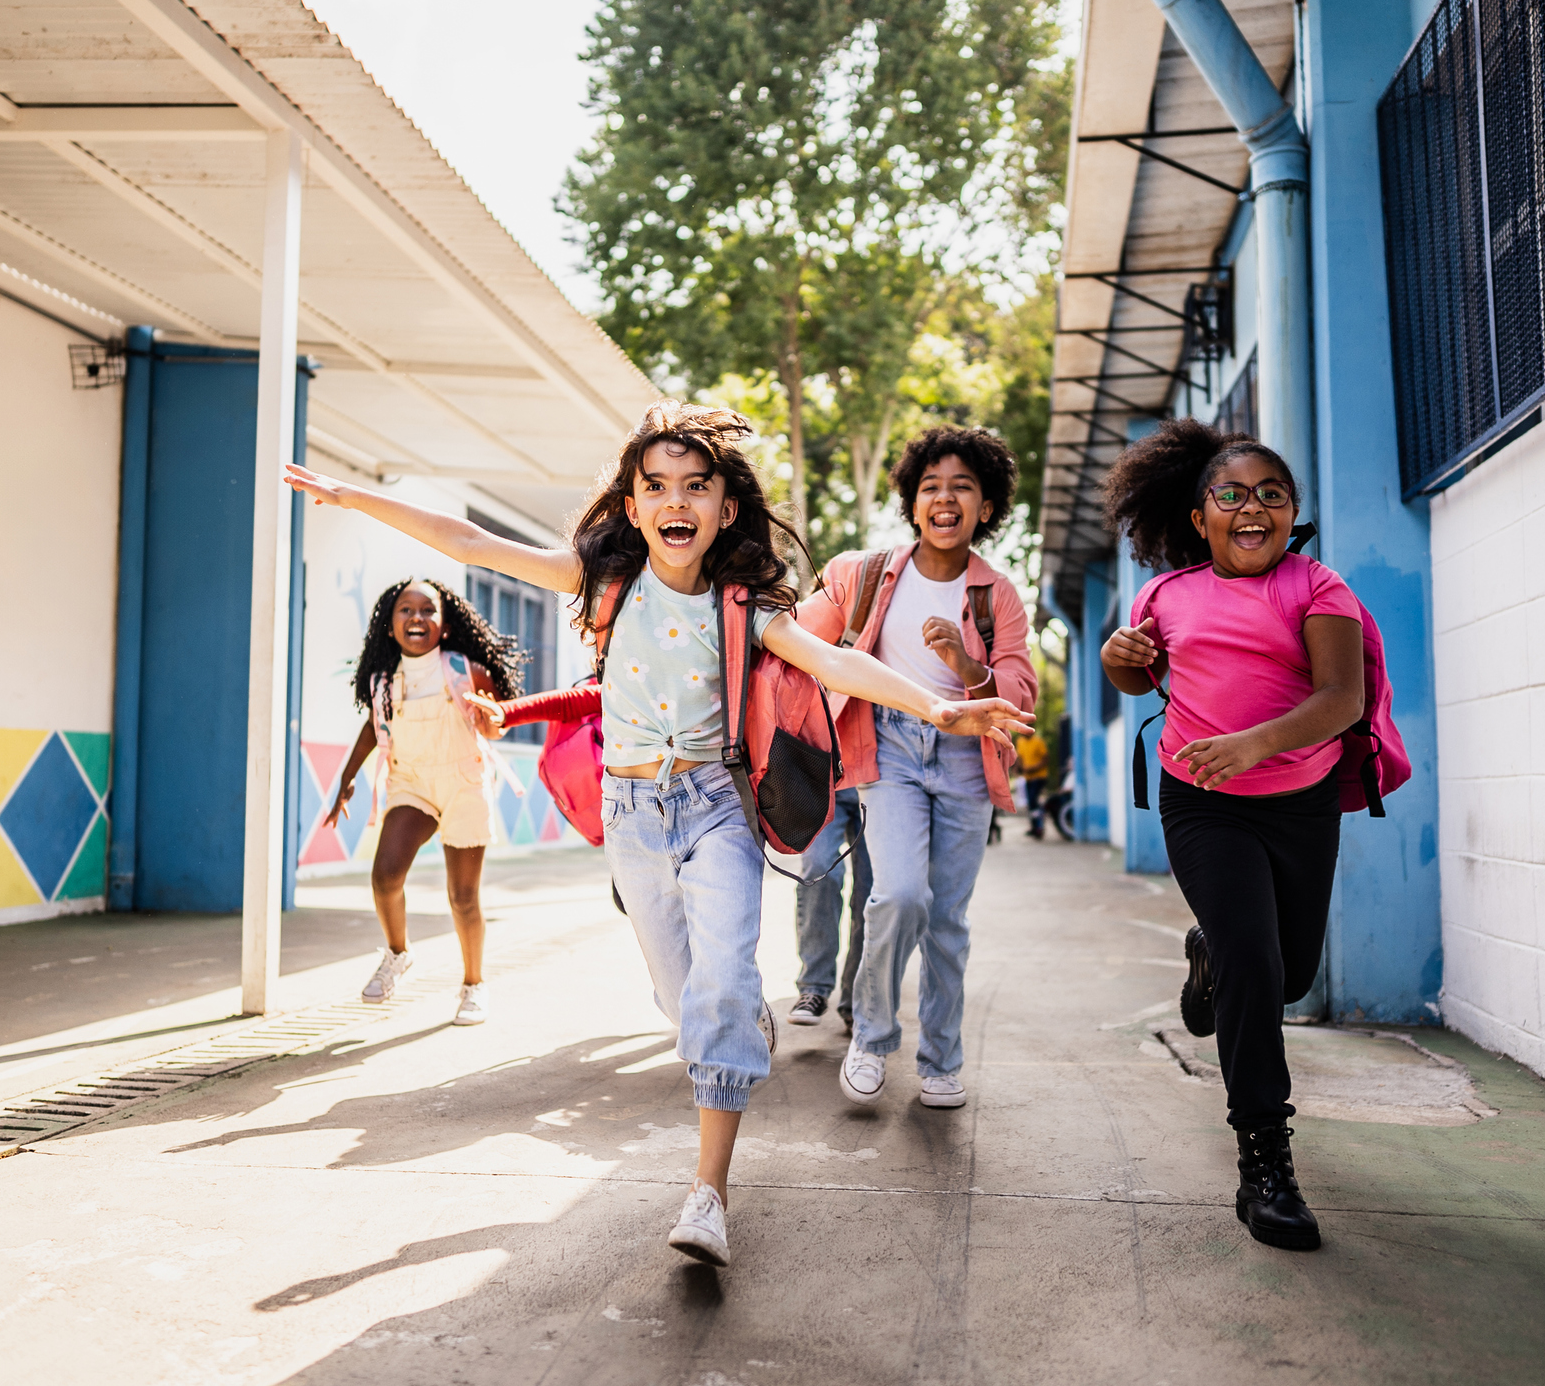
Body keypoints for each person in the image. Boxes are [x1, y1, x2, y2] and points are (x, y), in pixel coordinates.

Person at [287, 402, 1031, 1269]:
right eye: (657, 488)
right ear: (632, 507)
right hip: (631, 816)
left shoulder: (748, 604)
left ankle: (708, 1192)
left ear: (724, 508)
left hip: (717, 805)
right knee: (685, 1001)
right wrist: (351, 494)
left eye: (697, 486)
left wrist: (942, 704)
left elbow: (837, 663)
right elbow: (475, 542)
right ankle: (730, 1017)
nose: (677, 501)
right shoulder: (603, 584)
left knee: (717, 994)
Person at [1097, 418, 1365, 1253]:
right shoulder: (1166, 596)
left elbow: (1340, 700)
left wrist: (1256, 742)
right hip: (1203, 802)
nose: (1253, 508)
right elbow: (1135, 673)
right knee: (1259, 967)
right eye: (1232, 495)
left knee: (1287, 977)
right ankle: (1265, 1163)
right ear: (1201, 514)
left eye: (1271, 495)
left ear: (1291, 511)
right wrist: (1116, 653)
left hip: (1298, 800)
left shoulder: (1319, 588)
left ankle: (1210, 950)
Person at [796, 427, 1037, 1113]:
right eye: (931, 485)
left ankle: (941, 1060)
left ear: (985, 507)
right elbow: (793, 636)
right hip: (889, 745)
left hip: (967, 753)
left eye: (962, 486)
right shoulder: (863, 574)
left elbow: (1017, 693)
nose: (945, 497)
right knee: (899, 894)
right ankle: (871, 1038)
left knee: (948, 919)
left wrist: (967, 665)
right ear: (912, 500)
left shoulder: (998, 596)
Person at [326, 579, 524, 1027]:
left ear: (445, 625)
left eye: (428, 610)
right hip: (411, 783)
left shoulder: (463, 669)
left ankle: (474, 985)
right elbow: (373, 730)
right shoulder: (382, 682)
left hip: (463, 783)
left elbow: (498, 724)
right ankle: (397, 953)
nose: (417, 617)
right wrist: (347, 776)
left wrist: (490, 723)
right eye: (405, 609)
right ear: (389, 624)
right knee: (385, 877)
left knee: (462, 898)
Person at [788, 787, 871, 1030]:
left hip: (879, 775)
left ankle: (858, 998)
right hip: (826, 776)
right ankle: (813, 988)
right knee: (818, 869)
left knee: (871, 891)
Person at [1015, 729, 1050, 839]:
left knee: (1033, 800)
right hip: (1028, 777)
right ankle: (1035, 827)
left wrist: (1033, 768)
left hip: (1039, 776)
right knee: (1030, 802)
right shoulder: (1020, 741)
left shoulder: (1038, 742)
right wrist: (1018, 768)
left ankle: (1039, 827)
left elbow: (1045, 759)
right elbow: (1020, 758)